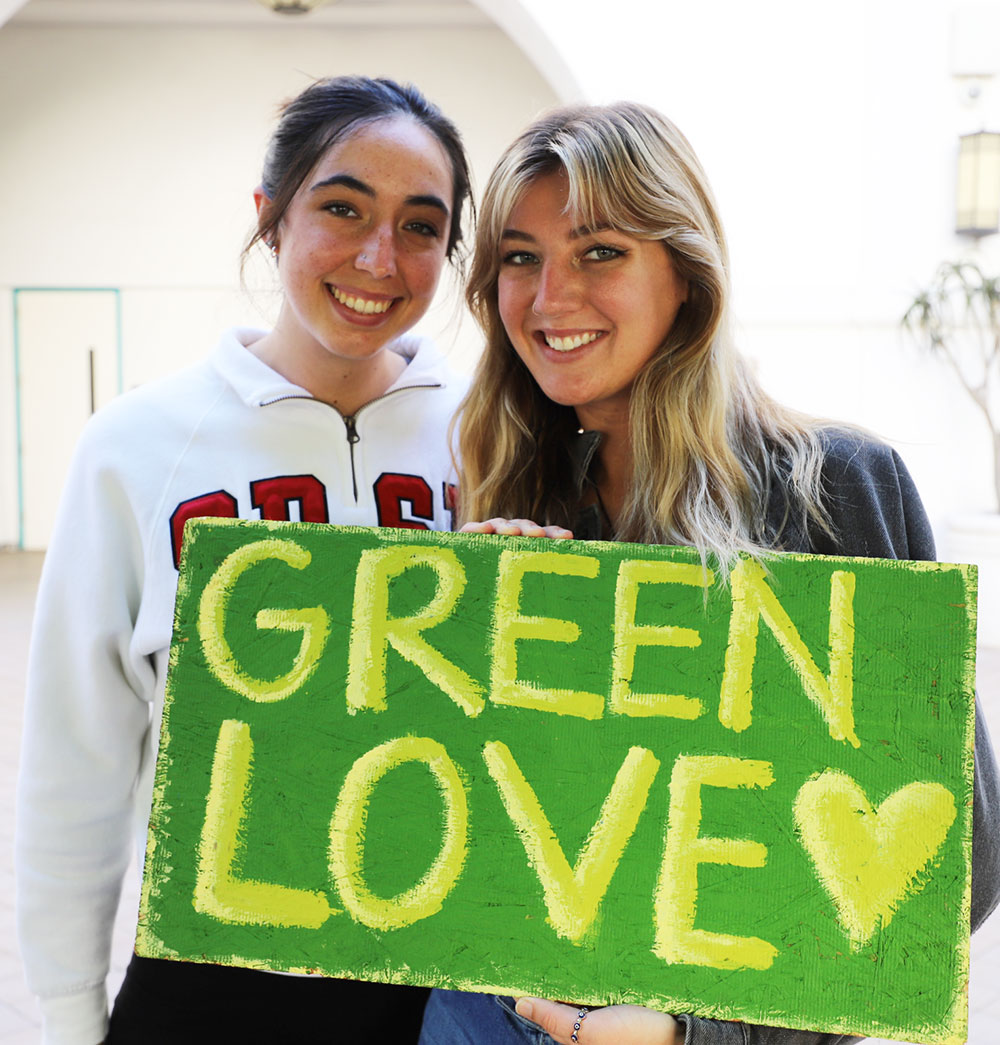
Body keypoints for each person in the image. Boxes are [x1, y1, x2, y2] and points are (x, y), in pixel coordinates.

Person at [418, 102, 1000, 1045]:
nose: (547, 297)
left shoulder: (834, 486)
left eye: (599, 250)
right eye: (519, 257)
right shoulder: (512, 494)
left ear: (685, 276)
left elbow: (953, 868)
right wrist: (462, 644)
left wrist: (697, 1032)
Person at [15, 75, 473, 1045]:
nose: (377, 257)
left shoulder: (495, 436)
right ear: (270, 221)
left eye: (421, 225)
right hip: (216, 976)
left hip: (447, 978)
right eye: (341, 207)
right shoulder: (138, 446)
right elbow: (76, 761)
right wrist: (65, 1014)